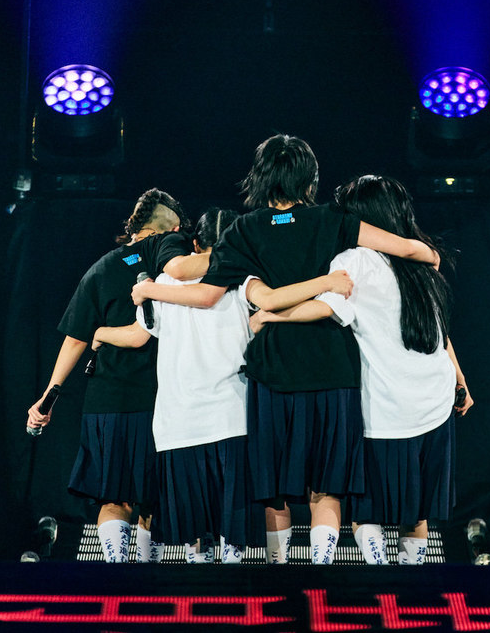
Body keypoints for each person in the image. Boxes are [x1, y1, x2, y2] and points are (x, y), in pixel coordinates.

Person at [130, 135, 440, 564]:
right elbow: (408, 248)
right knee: (326, 486)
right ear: (309, 178)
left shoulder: (243, 229)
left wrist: (147, 288)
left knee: (274, 487)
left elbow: (204, 295)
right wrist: (430, 256)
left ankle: (281, 570)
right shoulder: (332, 220)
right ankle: (321, 571)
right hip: (334, 371)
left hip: (273, 375)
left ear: (260, 178)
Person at [92, 208, 355, 563]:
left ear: (195, 242)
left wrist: (100, 331)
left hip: (178, 426)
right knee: (233, 540)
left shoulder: (160, 284)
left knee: (195, 539)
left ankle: (198, 607)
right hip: (232, 421)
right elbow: (269, 308)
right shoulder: (244, 281)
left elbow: (140, 335)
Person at [250, 174, 473, 565]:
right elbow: (441, 334)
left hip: (385, 409)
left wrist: (270, 314)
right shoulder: (421, 263)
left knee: (366, 509)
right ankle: (411, 581)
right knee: (416, 510)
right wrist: (461, 381)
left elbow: (327, 307)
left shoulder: (354, 260)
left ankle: (377, 572)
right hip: (434, 405)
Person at [26, 188, 197, 563]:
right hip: (158, 398)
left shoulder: (99, 268)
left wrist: (47, 396)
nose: (181, 232)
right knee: (154, 495)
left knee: (112, 495)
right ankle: (145, 575)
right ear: (158, 230)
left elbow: (75, 340)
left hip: (107, 401)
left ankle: (118, 574)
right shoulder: (168, 250)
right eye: (175, 227)